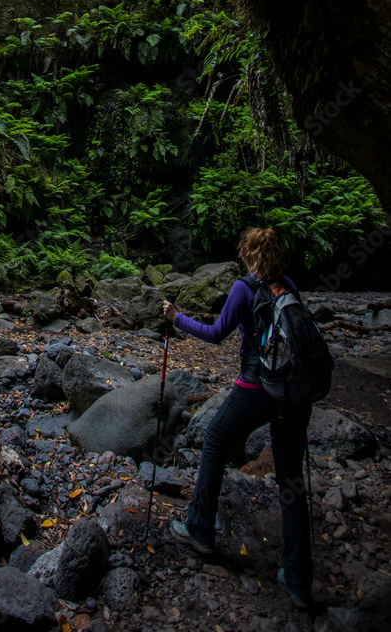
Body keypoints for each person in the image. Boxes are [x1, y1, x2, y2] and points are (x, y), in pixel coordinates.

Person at [162, 226, 313, 610]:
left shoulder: (243, 289)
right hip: (294, 394)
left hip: (258, 387)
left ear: (246, 255)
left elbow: (216, 334)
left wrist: (178, 318)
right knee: (291, 479)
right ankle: (298, 580)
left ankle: (200, 531)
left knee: (213, 440)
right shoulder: (289, 285)